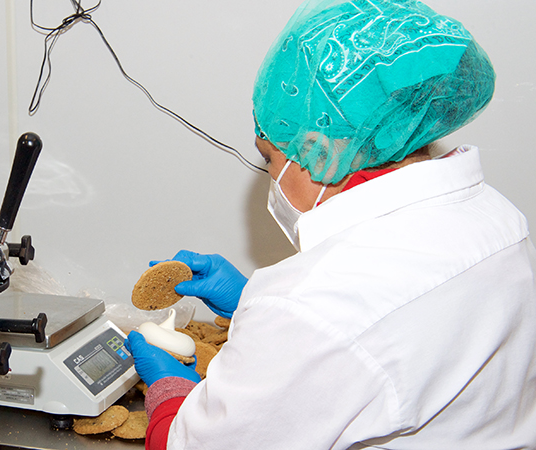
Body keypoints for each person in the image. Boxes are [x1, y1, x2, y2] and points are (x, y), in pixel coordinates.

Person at [124, 0, 536, 448]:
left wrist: (168, 388)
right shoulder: (498, 217)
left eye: (270, 158)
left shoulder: (314, 306)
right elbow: (400, 336)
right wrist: (251, 304)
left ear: (320, 152)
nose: (271, 177)